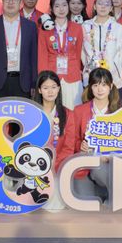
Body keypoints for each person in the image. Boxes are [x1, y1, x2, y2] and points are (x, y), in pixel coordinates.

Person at [68, 68, 122, 202]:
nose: (100, 89)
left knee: (101, 172)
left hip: (109, 167)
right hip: (85, 167)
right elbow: (72, 141)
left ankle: (116, 196)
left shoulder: (120, 113)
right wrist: (80, 146)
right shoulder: (79, 111)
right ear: (90, 87)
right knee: (86, 205)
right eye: (95, 85)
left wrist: (109, 155)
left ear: (111, 86)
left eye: (104, 85)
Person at [34, 70, 75, 211]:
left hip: (57, 167)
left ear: (59, 89)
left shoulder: (68, 114)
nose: (50, 91)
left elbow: (69, 148)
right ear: (39, 90)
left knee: (54, 205)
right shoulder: (32, 113)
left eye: (53, 87)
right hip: (33, 167)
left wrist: (52, 166)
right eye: (46, 88)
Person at [37, 0, 84, 110]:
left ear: (68, 6)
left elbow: (79, 53)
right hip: (52, 77)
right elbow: (42, 55)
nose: (61, 9)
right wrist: (43, 79)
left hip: (72, 76)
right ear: (51, 9)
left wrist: (78, 72)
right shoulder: (45, 29)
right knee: (53, 111)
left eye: (64, 5)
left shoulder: (77, 28)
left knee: (73, 109)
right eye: (57, 6)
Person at [81, 0, 122, 89]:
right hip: (90, 76)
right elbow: (82, 52)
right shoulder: (85, 26)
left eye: (107, 4)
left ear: (111, 8)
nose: (103, 6)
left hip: (113, 79)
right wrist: (88, 66)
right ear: (94, 6)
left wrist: (115, 68)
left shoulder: (119, 28)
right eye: (100, 3)